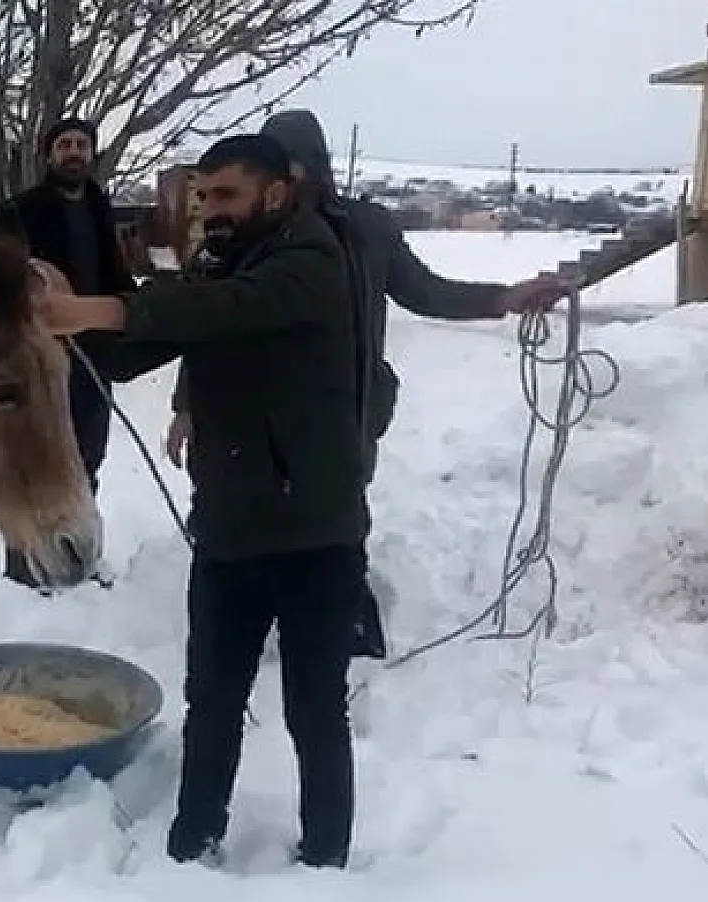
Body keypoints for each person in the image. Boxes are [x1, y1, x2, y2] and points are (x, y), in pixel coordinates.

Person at [34, 132, 369, 869]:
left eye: (226, 195)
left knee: (314, 711)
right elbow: (144, 343)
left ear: (275, 194)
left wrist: (95, 310)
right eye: (202, 195)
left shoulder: (310, 262)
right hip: (227, 534)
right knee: (211, 704)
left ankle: (328, 860)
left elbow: (220, 312)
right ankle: (192, 843)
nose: (208, 210)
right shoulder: (220, 264)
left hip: (315, 535)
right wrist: (55, 327)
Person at [162, 109, 566, 659]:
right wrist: (188, 404)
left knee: (336, 522)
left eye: (296, 165)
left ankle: (348, 628)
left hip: (346, 409)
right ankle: (260, 616)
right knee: (252, 516)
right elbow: (209, 322)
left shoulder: (364, 230)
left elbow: (425, 291)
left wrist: (502, 297)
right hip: (251, 416)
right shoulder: (241, 241)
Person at [0, 116, 139, 591]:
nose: (74, 152)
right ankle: (22, 562)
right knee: (34, 455)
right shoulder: (21, 211)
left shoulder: (99, 208)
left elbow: (116, 277)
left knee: (87, 453)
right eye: (64, 145)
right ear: (48, 155)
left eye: (81, 145)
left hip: (92, 352)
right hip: (40, 356)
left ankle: (77, 554)